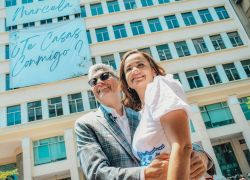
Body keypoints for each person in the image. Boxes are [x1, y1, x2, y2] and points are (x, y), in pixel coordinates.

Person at [75, 63, 216, 180]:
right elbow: (96, 173)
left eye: (104, 76)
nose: (99, 82)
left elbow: (176, 138)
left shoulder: (141, 115)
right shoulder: (85, 124)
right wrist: (145, 174)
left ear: (119, 81)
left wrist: (202, 156)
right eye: (93, 82)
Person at [119, 50, 208, 180]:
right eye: (129, 69)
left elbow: (182, 146)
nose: (135, 70)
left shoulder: (160, 86)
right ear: (127, 82)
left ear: (153, 71)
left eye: (140, 65)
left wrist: (202, 155)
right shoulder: (142, 113)